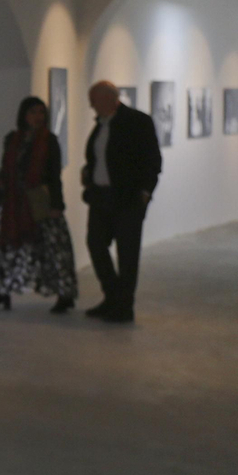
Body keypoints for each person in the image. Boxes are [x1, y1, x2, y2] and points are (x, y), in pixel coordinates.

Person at [0, 96, 77, 313]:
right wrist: (0, 180)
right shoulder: (12, 139)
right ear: (24, 115)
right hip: (15, 204)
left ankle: (65, 295)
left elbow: (54, 176)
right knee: (8, 249)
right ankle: (0, 294)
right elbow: (7, 167)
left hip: (41, 203)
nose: (38, 117)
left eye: (41, 113)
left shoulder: (49, 141)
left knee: (54, 250)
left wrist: (57, 205)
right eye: (33, 112)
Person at [82, 80, 163, 323]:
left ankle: (124, 306)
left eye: (93, 100)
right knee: (95, 244)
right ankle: (112, 297)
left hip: (127, 199)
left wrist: (145, 193)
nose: (91, 105)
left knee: (127, 254)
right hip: (100, 197)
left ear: (108, 99)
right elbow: (99, 158)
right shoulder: (100, 125)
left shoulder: (138, 122)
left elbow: (152, 160)